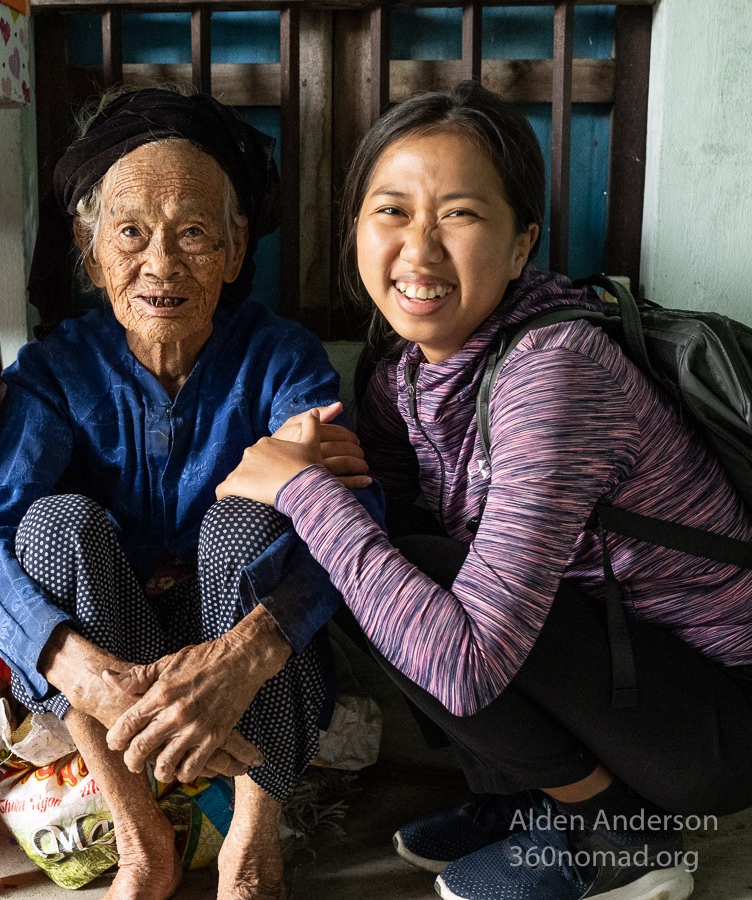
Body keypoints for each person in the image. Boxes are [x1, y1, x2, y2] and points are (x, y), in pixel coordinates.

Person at [216, 81, 752, 900]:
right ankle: (523, 798)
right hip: (615, 671)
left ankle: (619, 840)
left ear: (519, 244)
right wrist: (320, 466)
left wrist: (300, 490)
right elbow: (379, 534)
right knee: (379, 557)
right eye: (391, 211)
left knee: (405, 568)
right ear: (356, 228)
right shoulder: (402, 374)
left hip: (718, 716)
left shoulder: (556, 372)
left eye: (459, 215)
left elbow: (465, 666)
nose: (419, 251)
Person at [0, 86, 374, 900]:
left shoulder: (283, 360)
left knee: (246, 524)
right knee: (53, 526)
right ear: (90, 244)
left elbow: (351, 520)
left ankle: (252, 844)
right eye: (132, 232)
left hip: (253, 658)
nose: (162, 264)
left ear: (237, 250)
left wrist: (241, 659)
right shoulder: (55, 371)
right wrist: (89, 675)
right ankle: (142, 839)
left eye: (196, 234)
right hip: (117, 657)